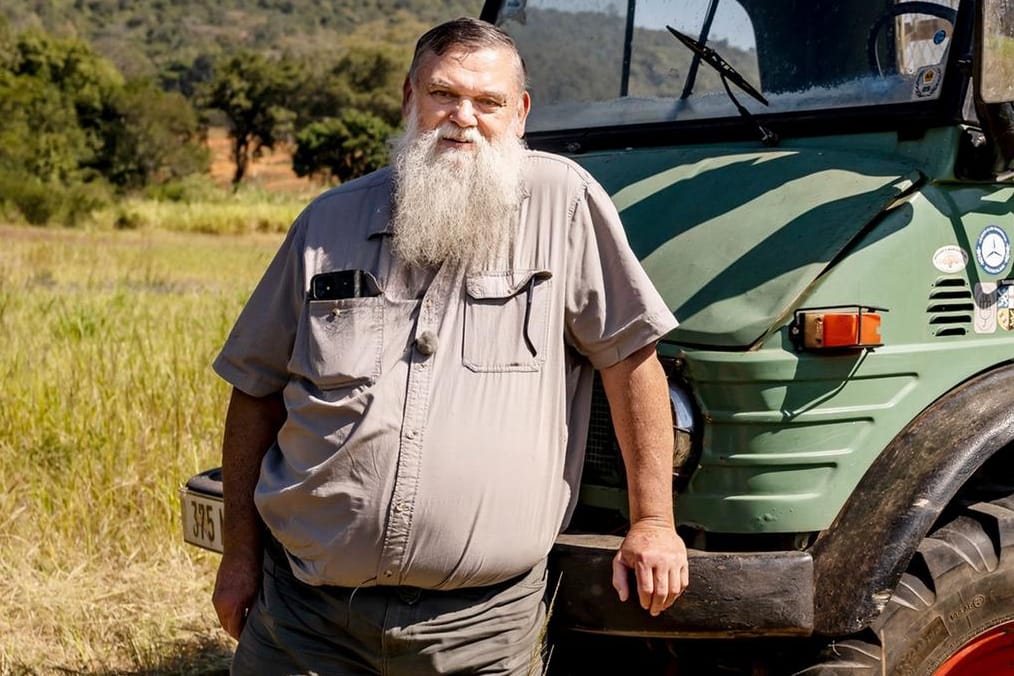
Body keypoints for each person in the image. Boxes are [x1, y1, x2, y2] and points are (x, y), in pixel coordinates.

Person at [211, 16, 689, 675]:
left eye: (487, 101)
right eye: (443, 94)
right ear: (411, 99)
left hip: (478, 630)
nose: (463, 117)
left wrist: (653, 523)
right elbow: (255, 390)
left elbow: (631, 361)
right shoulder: (328, 222)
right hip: (306, 619)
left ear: (518, 113)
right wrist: (239, 557)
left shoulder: (564, 204)